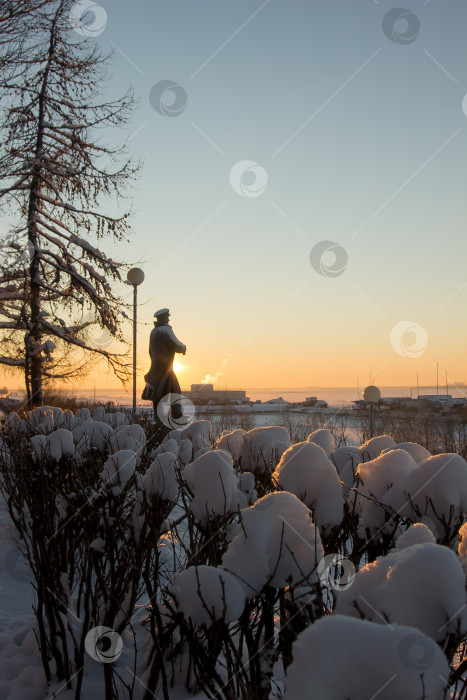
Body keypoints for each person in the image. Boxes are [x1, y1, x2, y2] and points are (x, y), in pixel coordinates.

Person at [141, 308, 186, 421]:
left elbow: (150, 351)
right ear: (164, 318)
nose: (168, 319)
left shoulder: (154, 332)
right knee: (176, 390)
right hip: (166, 369)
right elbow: (177, 346)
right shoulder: (165, 330)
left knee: (158, 395)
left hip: (155, 369)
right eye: (167, 317)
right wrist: (184, 348)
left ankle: (158, 419)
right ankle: (177, 416)